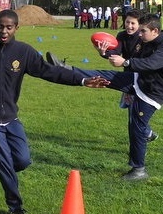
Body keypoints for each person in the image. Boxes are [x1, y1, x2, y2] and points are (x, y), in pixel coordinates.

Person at [0, 10, 106, 214]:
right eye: (0, 26)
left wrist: (82, 80)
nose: (4, 31)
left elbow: (49, 71)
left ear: (17, 28)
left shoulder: (23, 52)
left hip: (10, 116)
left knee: (23, 159)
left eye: (9, 27)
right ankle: (15, 208)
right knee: (6, 164)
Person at [47, 9, 157, 142]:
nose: (129, 26)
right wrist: (104, 52)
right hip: (127, 79)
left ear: (140, 25)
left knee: (134, 118)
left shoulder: (146, 39)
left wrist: (127, 62)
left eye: (133, 23)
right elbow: (115, 53)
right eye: (127, 22)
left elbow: (149, 62)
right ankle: (65, 68)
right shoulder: (122, 36)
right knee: (99, 77)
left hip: (144, 83)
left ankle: (143, 141)